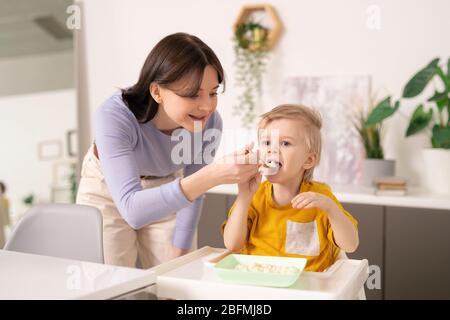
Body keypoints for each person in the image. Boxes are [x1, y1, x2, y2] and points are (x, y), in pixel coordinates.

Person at [76, 33, 259, 268]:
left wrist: (181, 244)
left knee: (179, 277)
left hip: (168, 185)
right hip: (106, 190)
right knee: (110, 282)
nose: (207, 106)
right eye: (193, 94)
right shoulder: (113, 117)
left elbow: (195, 189)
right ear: (157, 92)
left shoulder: (209, 123)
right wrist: (215, 174)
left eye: (213, 92)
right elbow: (132, 209)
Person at [222, 104, 359, 272]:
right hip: (259, 283)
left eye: (285, 143)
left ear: (308, 160)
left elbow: (350, 245)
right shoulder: (253, 195)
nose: (272, 149)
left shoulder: (321, 199)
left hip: (308, 288)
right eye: (266, 142)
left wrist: (331, 209)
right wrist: (243, 197)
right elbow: (232, 245)